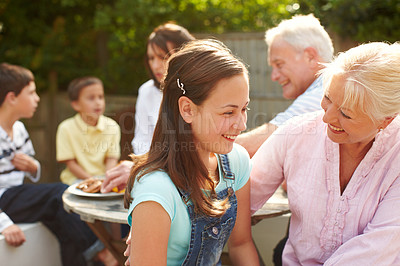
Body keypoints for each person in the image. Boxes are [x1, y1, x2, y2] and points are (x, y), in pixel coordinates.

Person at [250, 42, 400, 265]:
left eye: (346, 114)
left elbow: (377, 247)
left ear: (385, 120)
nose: (326, 118)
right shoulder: (296, 134)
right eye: (328, 98)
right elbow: (239, 199)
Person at [123, 39, 259, 265]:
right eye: (228, 113)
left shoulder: (237, 162)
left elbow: (241, 244)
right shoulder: (157, 189)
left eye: (244, 109)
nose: (242, 124)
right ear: (187, 109)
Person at [0, 63, 117, 266]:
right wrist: (4, 224)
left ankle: (98, 258)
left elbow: (33, 169)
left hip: (18, 194)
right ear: (12, 98)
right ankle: (103, 252)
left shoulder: (18, 129)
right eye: (32, 93)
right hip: (5, 199)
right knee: (61, 194)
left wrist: (32, 167)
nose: (37, 99)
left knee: (66, 226)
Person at [101, 22, 195, 193]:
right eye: (151, 58)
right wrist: (147, 169)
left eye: (163, 57)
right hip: (152, 176)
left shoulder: (200, 91)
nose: (156, 65)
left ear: (184, 54)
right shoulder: (146, 92)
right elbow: (141, 141)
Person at [236, 14, 334, 157]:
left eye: (279, 65)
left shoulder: (324, 94)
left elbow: (265, 144)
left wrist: (205, 148)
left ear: (310, 57)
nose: (273, 76)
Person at [56, 76, 121, 185]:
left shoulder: (112, 126)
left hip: (104, 180)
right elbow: (71, 164)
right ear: (76, 104)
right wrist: (93, 181)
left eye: (100, 97)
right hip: (75, 181)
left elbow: (111, 159)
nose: (98, 102)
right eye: (91, 98)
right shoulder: (65, 128)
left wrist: (105, 180)